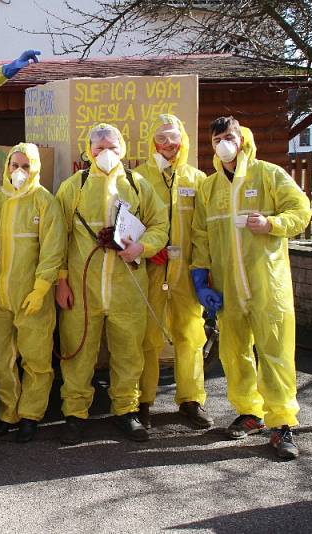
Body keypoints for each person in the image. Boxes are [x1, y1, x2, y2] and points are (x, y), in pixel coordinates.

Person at [191, 117, 311, 460]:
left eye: (229, 137)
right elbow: (201, 236)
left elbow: (301, 211)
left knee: (275, 354)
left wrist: (272, 223)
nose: (223, 144)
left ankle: (282, 423)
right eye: (217, 140)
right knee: (234, 353)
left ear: (243, 139)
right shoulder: (209, 188)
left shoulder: (269, 174)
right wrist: (201, 279)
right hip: (228, 287)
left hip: (266, 284)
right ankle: (249, 413)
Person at [55, 123, 168, 444]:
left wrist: (141, 248)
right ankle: (75, 413)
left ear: (123, 149)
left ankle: (126, 412)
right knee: (77, 353)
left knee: (128, 353)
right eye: (99, 147)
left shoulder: (138, 185)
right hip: (82, 290)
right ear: (88, 150)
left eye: (112, 147)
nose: (105, 153)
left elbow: (160, 225)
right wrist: (61, 282)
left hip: (128, 288)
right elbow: (57, 237)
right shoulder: (73, 186)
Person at [133, 114, 213, 430]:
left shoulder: (197, 180)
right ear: (153, 142)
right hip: (152, 271)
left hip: (185, 273)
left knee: (190, 336)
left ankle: (191, 401)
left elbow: (204, 231)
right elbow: (130, 224)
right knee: (148, 339)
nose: (168, 144)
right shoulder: (138, 178)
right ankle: (143, 402)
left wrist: (202, 270)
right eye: (161, 138)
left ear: (183, 140)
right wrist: (146, 250)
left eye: (173, 136)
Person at [0, 143, 64, 443]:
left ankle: (31, 415)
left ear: (36, 169)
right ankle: (9, 413)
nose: (19, 172)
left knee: (36, 359)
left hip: (33, 296)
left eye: (25, 166)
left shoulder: (45, 201)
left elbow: (53, 248)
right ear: (6, 167)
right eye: (14, 165)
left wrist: (42, 287)